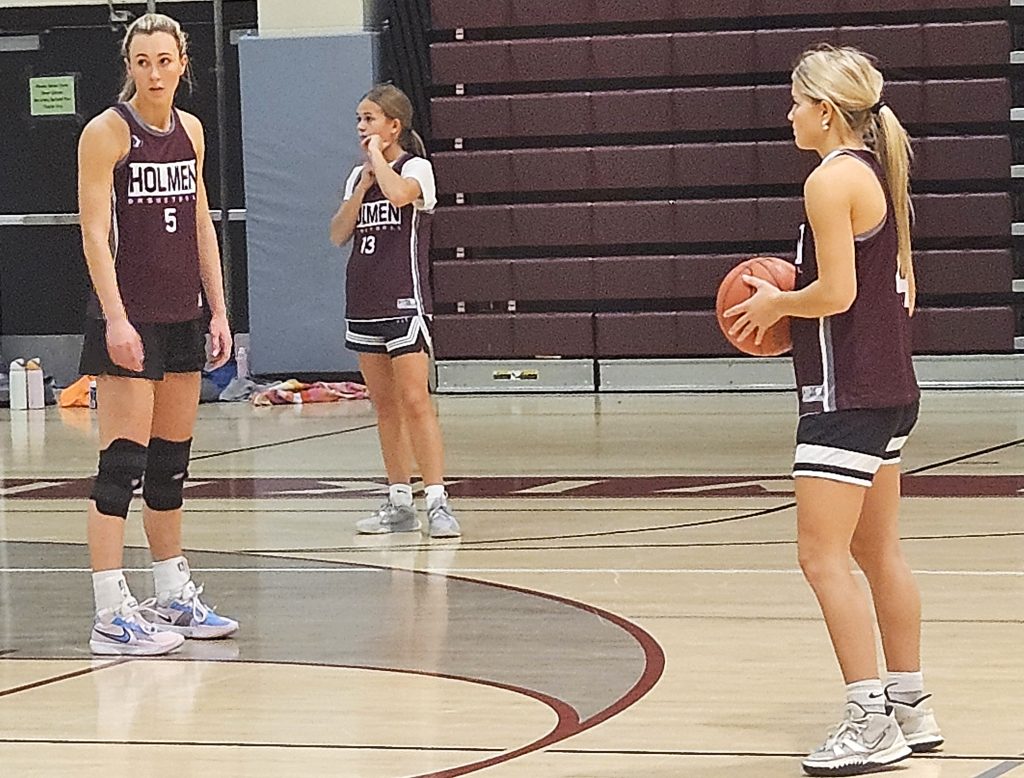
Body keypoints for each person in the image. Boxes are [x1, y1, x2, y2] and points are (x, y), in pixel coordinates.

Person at [724, 45, 943, 775]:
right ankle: (911, 703)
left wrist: (774, 302)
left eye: (794, 103)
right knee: (878, 553)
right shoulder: (875, 172)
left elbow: (838, 295)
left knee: (820, 557)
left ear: (824, 110)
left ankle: (869, 718)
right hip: (888, 388)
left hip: (845, 393)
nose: (788, 115)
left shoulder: (830, 180)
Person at [78, 12, 238, 656]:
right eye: (142, 61)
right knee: (122, 465)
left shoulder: (192, 131)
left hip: (183, 315)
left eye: (164, 60)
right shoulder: (106, 133)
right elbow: (92, 231)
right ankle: (109, 611)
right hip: (129, 317)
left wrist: (219, 310)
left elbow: (201, 224)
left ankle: (172, 593)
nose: (154, 72)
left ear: (182, 62)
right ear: (129, 65)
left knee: (171, 467)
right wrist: (115, 318)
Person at [329, 85, 460, 539]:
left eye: (369, 119)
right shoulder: (358, 177)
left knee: (415, 400)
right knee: (384, 406)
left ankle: (438, 500)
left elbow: (402, 197)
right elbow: (337, 233)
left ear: (393, 126)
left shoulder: (415, 167)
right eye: (359, 120)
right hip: (363, 301)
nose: (362, 128)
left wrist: (379, 165)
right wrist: (361, 184)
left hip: (405, 300)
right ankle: (399, 500)